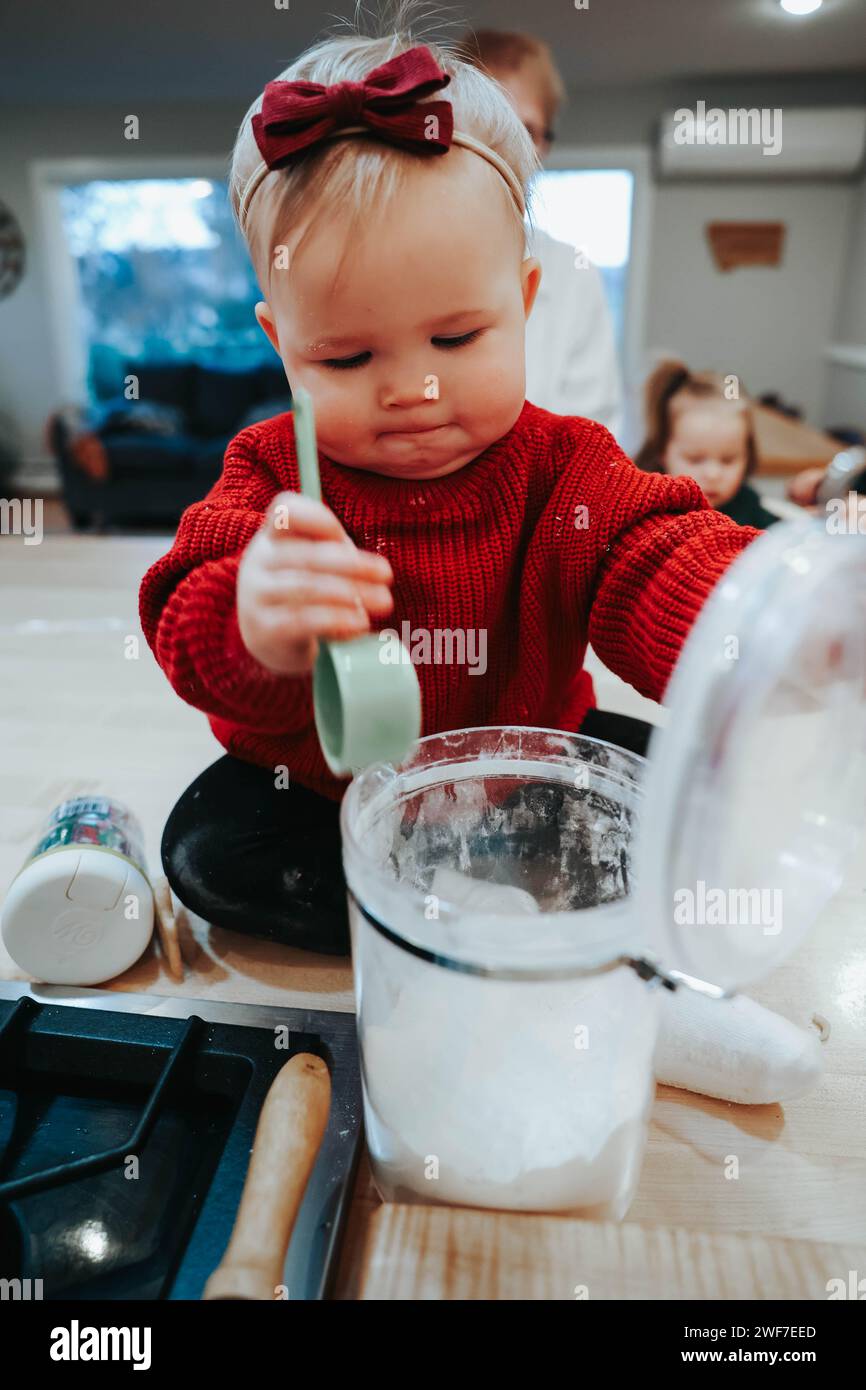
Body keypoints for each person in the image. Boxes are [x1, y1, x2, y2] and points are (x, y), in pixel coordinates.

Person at [139, 21, 756, 955]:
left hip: (523, 776)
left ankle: (461, 893)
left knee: (694, 795)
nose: (411, 389)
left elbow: (653, 551)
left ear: (526, 300)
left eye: (457, 340)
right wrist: (254, 624)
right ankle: (445, 911)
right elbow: (187, 610)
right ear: (281, 343)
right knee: (204, 852)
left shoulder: (565, 463)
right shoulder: (270, 471)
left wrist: (754, 615)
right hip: (331, 794)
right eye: (345, 356)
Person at [460, 28, 623, 436]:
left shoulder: (574, 273)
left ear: (545, 144)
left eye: (527, 130)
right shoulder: (399, 252)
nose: (509, 146)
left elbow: (596, 430)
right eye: (492, 122)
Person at [635, 360, 779, 530]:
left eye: (728, 460)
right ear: (662, 451)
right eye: (695, 460)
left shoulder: (749, 504)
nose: (713, 475)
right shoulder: (649, 512)